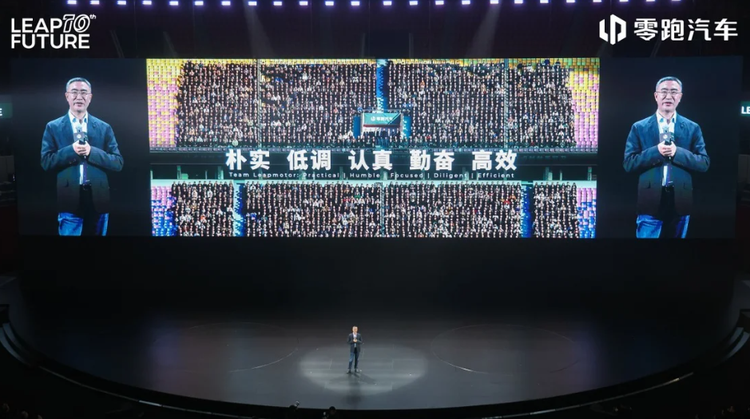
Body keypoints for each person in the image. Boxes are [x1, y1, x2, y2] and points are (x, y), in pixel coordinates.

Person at [623, 76, 709, 239]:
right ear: (656, 96)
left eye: (674, 92)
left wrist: (677, 152)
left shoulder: (692, 128)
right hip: (650, 201)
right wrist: (656, 151)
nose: (668, 96)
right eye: (664, 92)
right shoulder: (639, 127)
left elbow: (704, 163)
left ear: (680, 97)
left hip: (681, 200)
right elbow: (629, 163)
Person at [40, 77, 124, 236]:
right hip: (69, 198)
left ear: (90, 97)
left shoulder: (104, 127)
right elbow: (46, 162)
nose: (79, 97)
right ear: (67, 96)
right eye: (74, 92)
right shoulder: (53, 127)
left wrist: (92, 152)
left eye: (84, 93)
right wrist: (71, 150)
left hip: (99, 198)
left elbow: (118, 162)